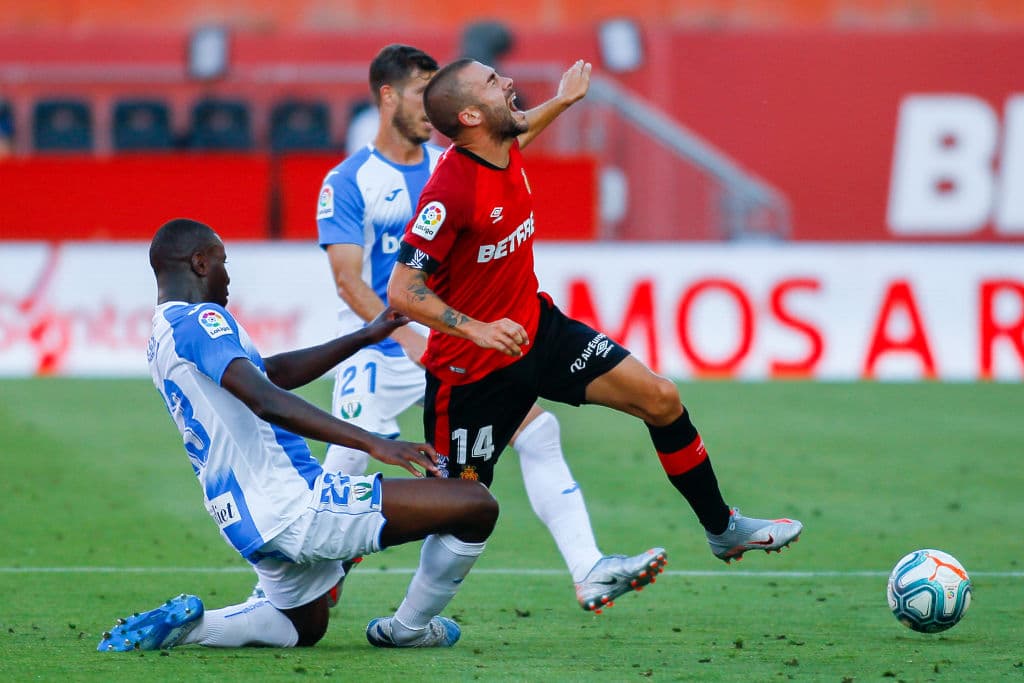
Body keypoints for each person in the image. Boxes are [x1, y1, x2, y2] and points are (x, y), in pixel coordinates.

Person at [387, 58, 804, 567]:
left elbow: (521, 129)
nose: (510, 82)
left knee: (660, 398)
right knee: (457, 509)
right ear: (472, 116)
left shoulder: (501, 147)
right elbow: (403, 291)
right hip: (471, 370)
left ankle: (724, 529)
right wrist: (475, 328)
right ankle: (349, 563)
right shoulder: (449, 192)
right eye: (495, 82)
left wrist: (564, 100)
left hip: (538, 333)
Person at [316, 43, 665, 614]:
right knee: (350, 465)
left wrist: (561, 101)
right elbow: (349, 282)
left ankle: (588, 568)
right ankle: (312, 571)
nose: (429, 108)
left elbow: (513, 140)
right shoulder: (350, 180)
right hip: (378, 350)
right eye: (416, 93)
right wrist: (402, 336)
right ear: (386, 97)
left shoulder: (451, 163)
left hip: (452, 342)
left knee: (537, 433)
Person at [97, 218, 499, 652]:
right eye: (221, 262)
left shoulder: (163, 334)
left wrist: (365, 335)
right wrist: (373, 442)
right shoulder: (201, 320)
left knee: (304, 626)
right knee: (475, 505)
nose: (227, 275)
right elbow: (265, 398)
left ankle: (193, 627)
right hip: (293, 506)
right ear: (198, 263)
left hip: (246, 519)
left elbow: (274, 373)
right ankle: (411, 628)